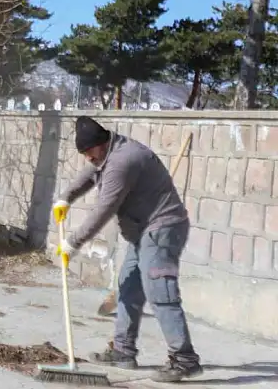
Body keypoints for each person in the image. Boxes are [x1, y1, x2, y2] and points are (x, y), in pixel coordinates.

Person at [54, 116, 202, 383]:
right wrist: (66, 197)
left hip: (161, 229)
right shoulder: (107, 152)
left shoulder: (124, 160)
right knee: (128, 287)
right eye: (84, 153)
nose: (87, 158)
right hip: (141, 231)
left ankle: (184, 359)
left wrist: (72, 243)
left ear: (101, 143)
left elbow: (104, 209)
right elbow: (90, 173)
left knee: (161, 292)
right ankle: (123, 351)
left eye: (89, 151)